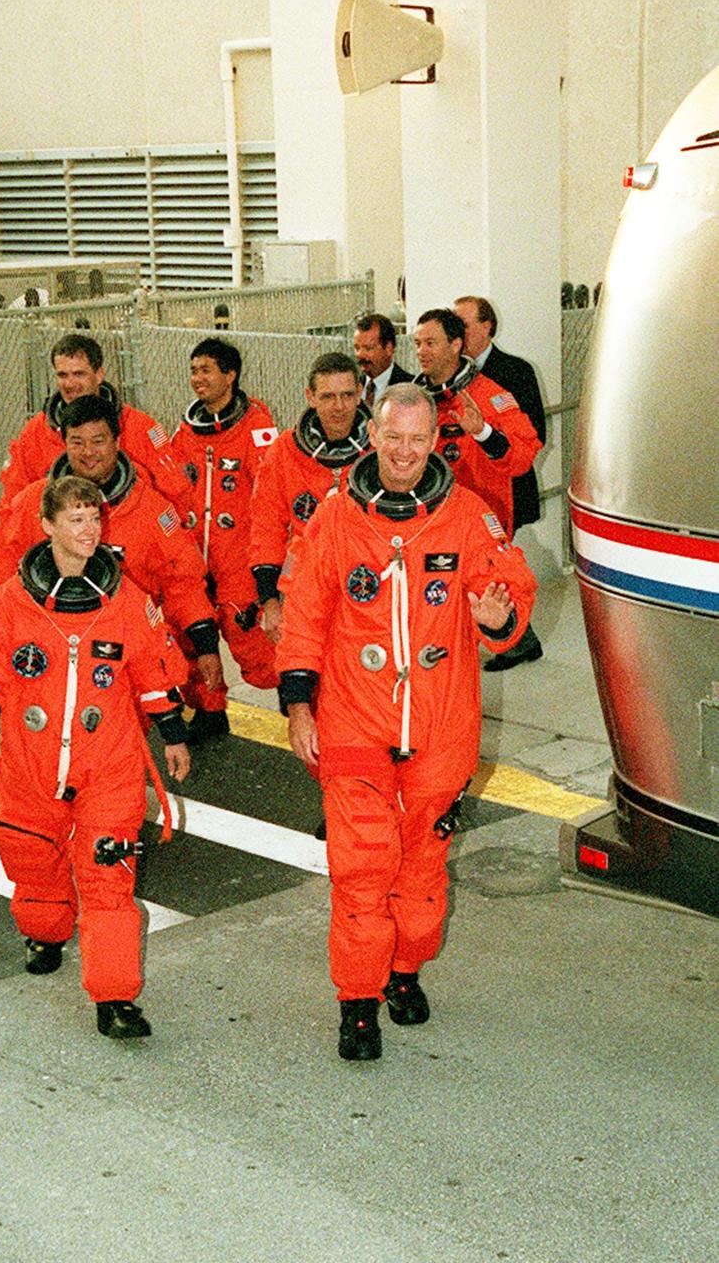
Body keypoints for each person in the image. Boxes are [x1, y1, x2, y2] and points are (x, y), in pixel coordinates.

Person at [276, 384, 537, 1061]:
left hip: (440, 726)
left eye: (417, 440)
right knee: (362, 869)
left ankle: (403, 970)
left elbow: (510, 588)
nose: (403, 452)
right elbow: (303, 614)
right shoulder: (336, 517)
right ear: (372, 435)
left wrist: (498, 619)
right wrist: (298, 704)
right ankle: (357, 1004)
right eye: (392, 437)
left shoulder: (467, 516)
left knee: (420, 873)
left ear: (433, 441)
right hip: (353, 719)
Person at [0, 475, 191, 1039]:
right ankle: (45, 930)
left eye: (95, 519)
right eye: (77, 520)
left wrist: (172, 733)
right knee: (32, 857)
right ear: (48, 526)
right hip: (30, 762)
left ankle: (115, 999)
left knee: (109, 881)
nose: (90, 530)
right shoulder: (11, 602)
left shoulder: (128, 600)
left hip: (108, 764)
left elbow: (153, 670)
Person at [0, 396, 224, 698]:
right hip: (46, 651)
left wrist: (206, 646)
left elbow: (183, 583)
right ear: (64, 444)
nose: (88, 453)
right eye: (77, 442)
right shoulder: (33, 503)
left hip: (120, 657)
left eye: (98, 441)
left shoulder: (151, 511)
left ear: (117, 442)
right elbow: (0, 561)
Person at [169, 338, 279, 744]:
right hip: (196, 555)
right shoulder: (186, 431)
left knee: (252, 640)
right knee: (194, 635)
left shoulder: (256, 427)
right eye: (194, 371)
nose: (198, 379)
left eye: (206, 370)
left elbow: (272, 497)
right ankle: (209, 709)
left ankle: (296, 697)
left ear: (230, 376)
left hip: (240, 558)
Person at [0, 332, 191, 518]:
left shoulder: (141, 427)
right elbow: (12, 503)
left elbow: (176, 493)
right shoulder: (35, 432)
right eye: (62, 375)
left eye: (79, 374)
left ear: (99, 374)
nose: (70, 384)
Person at [250, 351, 370, 647]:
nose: (339, 407)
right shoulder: (284, 452)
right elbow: (266, 529)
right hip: (304, 592)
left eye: (347, 395)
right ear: (310, 397)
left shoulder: (380, 450)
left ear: (360, 394)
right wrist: (270, 602)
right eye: (328, 397)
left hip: (366, 588)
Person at [454, 295, 546, 669]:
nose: (458, 332)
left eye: (463, 324)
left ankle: (515, 639)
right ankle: (520, 638)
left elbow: (534, 434)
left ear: (487, 326)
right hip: (471, 490)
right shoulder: (451, 379)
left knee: (498, 568)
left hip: (507, 487)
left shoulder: (515, 371)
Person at [412, 308, 541, 539]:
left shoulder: (491, 397)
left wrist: (484, 433)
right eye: (417, 343)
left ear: (455, 345)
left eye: (430, 343)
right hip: (430, 524)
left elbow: (523, 457)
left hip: (481, 524)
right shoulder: (414, 402)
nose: (421, 351)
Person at [353, 312, 413, 410]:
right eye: (357, 348)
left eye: (368, 348)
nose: (360, 354)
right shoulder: (351, 388)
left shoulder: (411, 388)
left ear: (389, 348)